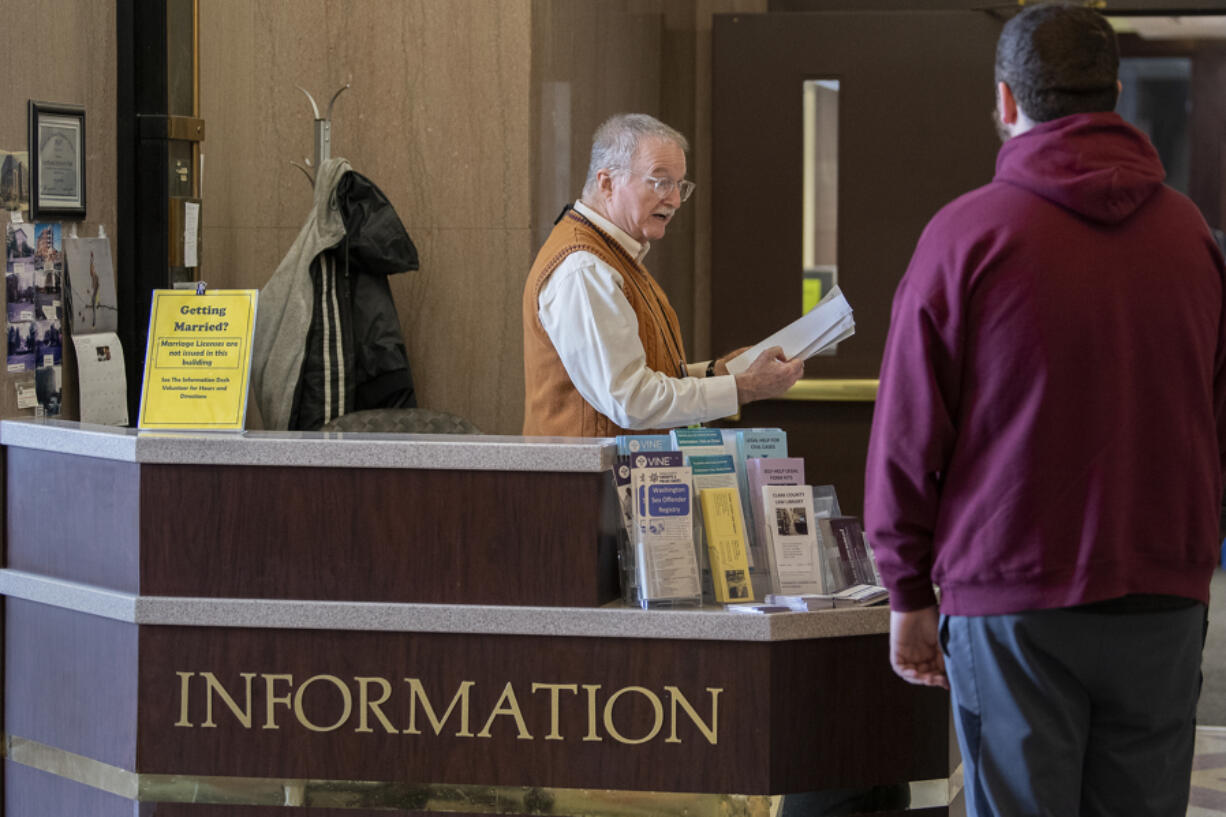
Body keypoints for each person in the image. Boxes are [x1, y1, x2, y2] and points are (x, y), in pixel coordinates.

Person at [863, 4, 1226, 815]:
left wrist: (905, 590)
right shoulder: (1191, 239)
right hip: (1162, 589)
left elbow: (908, 435)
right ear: (1118, 94)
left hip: (1010, 597)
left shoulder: (966, 237)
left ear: (1004, 101)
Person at [522, 113, 802, 437]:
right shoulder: (584, 268)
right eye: (660, 182)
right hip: (587, 485)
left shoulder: (616, 254)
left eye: (679, 185)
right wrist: (741, 389)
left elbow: (645, 376)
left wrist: (719, 373)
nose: (674, 200)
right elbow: (630, 399)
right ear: (607, 183)